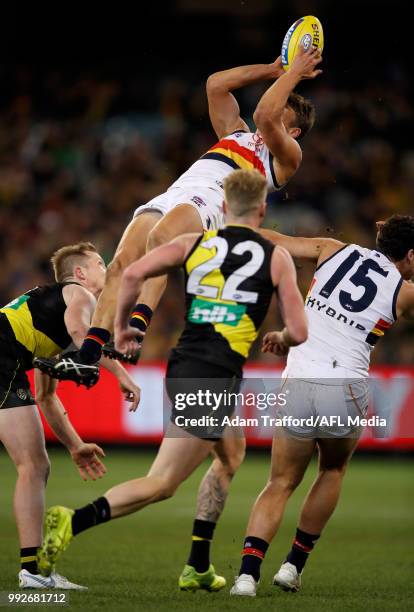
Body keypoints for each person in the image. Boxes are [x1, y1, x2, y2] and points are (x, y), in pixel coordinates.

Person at [37, 169, 308, 591]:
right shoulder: (274, 256)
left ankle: (197, 564)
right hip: (213, 375)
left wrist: (126, 328)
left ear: (221, 207)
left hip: (188, 366)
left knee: (231, 454)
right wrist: (281, 336)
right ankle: (72, 520)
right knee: (162, 483)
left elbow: (129, 274)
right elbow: (300, 331)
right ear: (262, 208)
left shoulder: (192, 243)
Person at [42, 45, 321, 378]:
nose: (276, 108)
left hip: (216, 199)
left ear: (294, 132)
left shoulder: (286, 155)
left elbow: (264, 113)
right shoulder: (236, 133)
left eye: (283, 110)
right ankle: (87, 358)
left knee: (160, 240)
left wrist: (294, 74)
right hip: (176, 192)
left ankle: (136, 329)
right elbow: (216, 84)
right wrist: (274, 69)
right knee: (120, 263)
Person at [230, 214, 414, 597]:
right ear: (410, 255)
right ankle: (292, 567)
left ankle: (247, 576)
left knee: (279, 482)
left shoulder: (332, 249)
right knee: (332, 469)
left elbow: (274, 240)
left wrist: (226, 229)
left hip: (297, 379)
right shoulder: (405, 292)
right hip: (345, 386)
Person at [0, 242, 140, 590]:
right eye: (99, 263)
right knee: (33, 466)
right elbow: (83, 335)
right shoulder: (79, 295)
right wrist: (121, 374)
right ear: (79, 274)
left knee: (35, 465)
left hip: (7, 360)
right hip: (2, 358)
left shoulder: (51, 313)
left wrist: (76, 445)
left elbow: (47, 398)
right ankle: (32, 572)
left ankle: (33, 570)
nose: (106, 268)